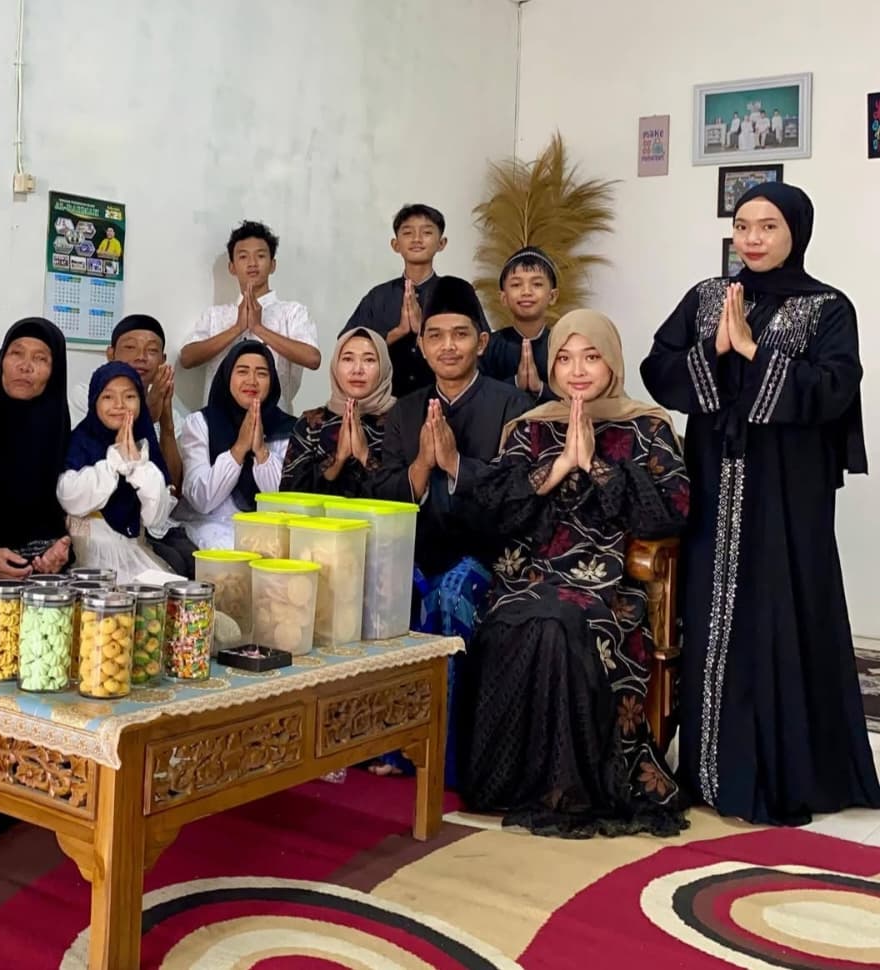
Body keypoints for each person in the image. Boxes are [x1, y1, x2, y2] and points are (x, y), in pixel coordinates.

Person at [640, 182, 879, 825]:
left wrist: (753, 350)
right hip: (714, 480)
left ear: (795, 231)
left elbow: (834, 388)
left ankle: (784, 771)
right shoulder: (708, 297)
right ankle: (709, 770)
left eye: (768, 226)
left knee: (779, 610)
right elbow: (658, 369)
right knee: (711, 614)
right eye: (743, 225)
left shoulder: (828, 307)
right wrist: (715, 348)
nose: (752, 239)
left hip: (789, 492)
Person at [462, 310, 690, 838]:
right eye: (564, 358)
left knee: (560, 624)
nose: (577, 370)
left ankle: (570, 786)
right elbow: (492, 509)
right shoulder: (532, 426)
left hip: (608, 582)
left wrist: (597, 466)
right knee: (514, 621)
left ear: (612, 362)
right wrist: (560, 465)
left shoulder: (647, 426)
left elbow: (672, 512)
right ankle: (509, 782)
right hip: (528, 572)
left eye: (591, 357)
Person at [369, 278, 531, 778]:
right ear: (421, 345)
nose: (448, 346)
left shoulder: (512, 406)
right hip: (416, 550)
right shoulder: (406, 409)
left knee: (454, 591)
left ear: (481, 342)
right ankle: (390, 744)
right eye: (435, 336)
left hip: (486, 554)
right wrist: (422, 464)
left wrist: (457, 463)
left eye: (460, 335)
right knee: (384, 591)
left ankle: (445, 758)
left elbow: (518, 493)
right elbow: (384, 493)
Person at [67, 314, 197, 576]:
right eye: (130, 347)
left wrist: (166, 421)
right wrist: (148, 411)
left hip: (153, 521)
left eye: (152, 350)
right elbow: (99, 452)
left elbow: (173, 486)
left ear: (162, 361)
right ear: (110, 354)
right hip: (100, 524)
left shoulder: (172, 406)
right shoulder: (88, 396)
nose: (141, 357)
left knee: (191, 560)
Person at [0, 317, 72, 580]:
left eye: (40, 358)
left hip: (37, 560)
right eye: (16, 353)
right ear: (1, 360)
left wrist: (60, 550)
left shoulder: (55, 423)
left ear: (54, 371)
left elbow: (56, 507)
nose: (25, 366)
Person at [341, 204, 488, 399]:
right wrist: (397, 332)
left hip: (446, 400)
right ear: (395, 244)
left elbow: (484, 353)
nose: (417, 239)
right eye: (408, 233)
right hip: (385, 403)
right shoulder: (378, 297)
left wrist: (425, 331)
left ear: (441, 243)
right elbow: (346, 347)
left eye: (426, 232)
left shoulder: (457, 292)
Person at [178, 220, 320, 412]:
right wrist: (237, 328)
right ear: (232, 267)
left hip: (274, 420)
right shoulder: (215, 315)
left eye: (260, 256)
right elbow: (187, 358)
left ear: (273, 265)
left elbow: (312, 358)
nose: (252, 263)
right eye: (243, 256)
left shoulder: (293, 312)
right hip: (219, 420)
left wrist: (258, 328)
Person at [57, 361, 175, 582]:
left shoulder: (144, 443)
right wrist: (113, 462)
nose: (119, 405)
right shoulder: (80, 441)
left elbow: (156, 518)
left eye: (129, 396)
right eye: (108, 397)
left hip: (132, 551)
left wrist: (137, 466)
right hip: (84, 552)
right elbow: (69, 498)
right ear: (94, 401)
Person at [179, 341, 296, 550]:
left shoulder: (288, 428)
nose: (251, 381)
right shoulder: (200, 423)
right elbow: (201, 500)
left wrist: (261, 452)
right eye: (242, 371)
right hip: (210, 530)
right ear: (227, 377)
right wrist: (239, 449)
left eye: (262, 373)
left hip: (270, 532)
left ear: (272, 381)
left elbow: (286, 501)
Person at [280, 327, 395, 497]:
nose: (357, 370)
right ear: (335, 366)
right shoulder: (311, 424)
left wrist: (364, 455)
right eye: (348, 359)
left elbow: (408, 494)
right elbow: (289, 494)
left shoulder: (401, 421)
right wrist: (338, 458)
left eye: (369, 360)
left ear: (384, 367)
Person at [480, 247, 560, 400]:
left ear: (552, 296)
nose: (526, 292)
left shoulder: (563, 346)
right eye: (516, 285)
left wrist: (540, 388)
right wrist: (515, 383)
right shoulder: (488, 346)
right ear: (503, 298)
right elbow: (478, 396)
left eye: (537, 284)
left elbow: (574, 397)